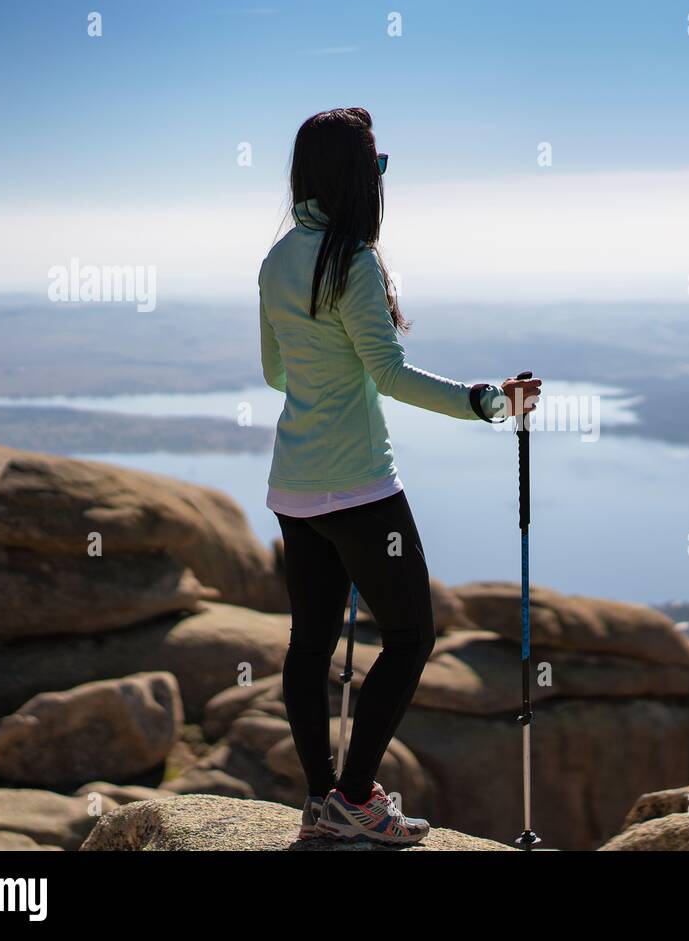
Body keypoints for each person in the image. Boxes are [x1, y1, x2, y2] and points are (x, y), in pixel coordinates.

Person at [259, 108, 540, 845]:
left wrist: (320, 369)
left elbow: (274, 370)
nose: (381, 181)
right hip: (359, 487)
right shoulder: (350, 260)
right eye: (377, 166)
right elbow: (387, 374)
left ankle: (323, 798)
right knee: (413, 635)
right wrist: (485, 402)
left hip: (293, 486)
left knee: (309, 642)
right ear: (356, 176)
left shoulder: (277, 259)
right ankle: (355, 799)